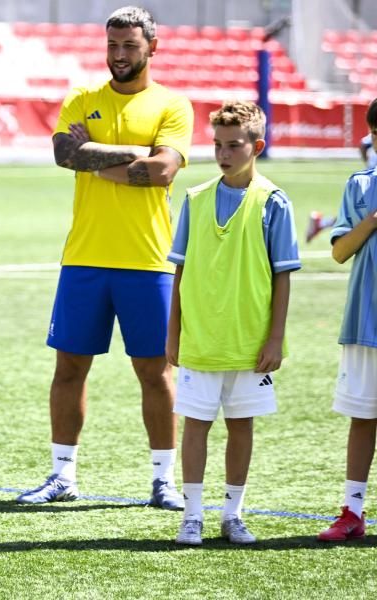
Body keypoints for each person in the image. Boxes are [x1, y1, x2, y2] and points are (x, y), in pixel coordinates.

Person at [17, 6, 194, 509]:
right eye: (113, 45)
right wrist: (135, 152)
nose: (119, 54)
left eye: (130, 46)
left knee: (155, 373)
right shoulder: (81, 98)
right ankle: (61, 477)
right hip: (85, 259)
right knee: (69, 369)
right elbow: (63, 155)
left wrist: (98, 157)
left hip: (149, 260)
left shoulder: (173, 105)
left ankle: (163, 481)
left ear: (152, 48)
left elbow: (162, 172)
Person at [166, 101, 299, 546]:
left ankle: (233, 514)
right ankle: (192, 516)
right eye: (218, 145)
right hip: (201, 339)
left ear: (256, 146)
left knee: (241, 426)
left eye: (234, 145)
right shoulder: (196, 198)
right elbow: (180, 271)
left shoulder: (273, 201)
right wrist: (174, 331)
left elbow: (282, 276)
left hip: (249, 341)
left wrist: (275, 338)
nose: (223, 153)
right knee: (196, 426)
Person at [317, 98, 377, 543]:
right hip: (366, 320)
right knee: (363, 416)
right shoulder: (360, 184)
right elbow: (339, 251)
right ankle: (352, 511)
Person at [306, 132, 376, 243]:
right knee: (364, 218)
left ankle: (321, 223)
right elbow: (364, 144)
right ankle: (322, 223)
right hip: (372, 180)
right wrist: (369, 165)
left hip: (371, 178)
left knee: (360, 216)